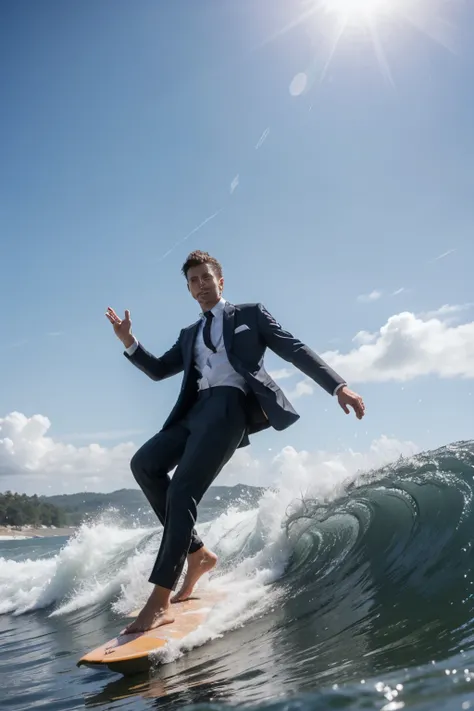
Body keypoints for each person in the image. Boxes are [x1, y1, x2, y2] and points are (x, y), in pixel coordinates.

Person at [105, 250, 365, 634]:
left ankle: (159, 601)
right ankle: (197, 555)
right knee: (143, 464)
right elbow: (160, 370)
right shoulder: (189, 334)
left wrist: (338, 385)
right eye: (193, 281)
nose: (201, 286)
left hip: (229, 410)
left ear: (220, 281)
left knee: (181, 493)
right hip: (194, 412)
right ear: (189, 289)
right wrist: (130, 343)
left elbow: (294, 349)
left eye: (206, 278)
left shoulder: (250, 315)